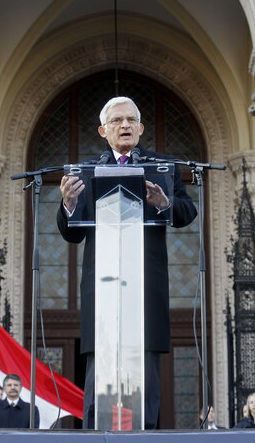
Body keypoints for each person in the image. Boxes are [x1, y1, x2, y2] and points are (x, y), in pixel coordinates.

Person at [57, 96, 197, 429]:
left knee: (145, 387)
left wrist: (165, 203)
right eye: (118, 120)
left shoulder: (163, 167)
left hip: (145, 290)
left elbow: (187, 212)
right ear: (103, 130)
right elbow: (71, 234)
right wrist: (68, 204)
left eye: (131, 120)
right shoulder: (86, 171)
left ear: (141, 128)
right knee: (99, 386)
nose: (125, 126)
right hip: (103, 292)